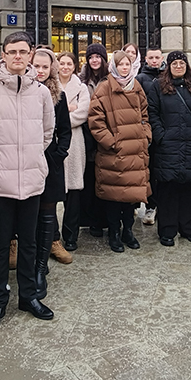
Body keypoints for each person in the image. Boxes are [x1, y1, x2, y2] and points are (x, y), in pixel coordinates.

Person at [0, 31, 56, 335]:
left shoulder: (42, 93)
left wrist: (31, 156)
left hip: (31, 179)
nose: (17, 56)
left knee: (29, 243)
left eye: (23, 51)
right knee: (0, 243)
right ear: (3, 55)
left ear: (31, 54)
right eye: (12, 52)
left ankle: (28, 296)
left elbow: (47, 132)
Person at [88, 50, 151, 253]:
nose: (124, 68)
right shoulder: (104, 88)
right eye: (121, 64)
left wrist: (146, 135)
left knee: (131, 196)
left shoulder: (137, 86)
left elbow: (145, 114)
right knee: (114, 196)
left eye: (127, 64)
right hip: (114, 153)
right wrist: (112, 143)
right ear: (114, 66)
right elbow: (96, 121)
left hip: (136, 150)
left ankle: (128, 231)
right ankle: (114, 233)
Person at [146, 51, 191, 246]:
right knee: (167, 190)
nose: (178, 66)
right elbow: (152, 113)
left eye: (181, 63)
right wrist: (161, 136)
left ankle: (188, 228)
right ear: (168, 66)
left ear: (187, 66)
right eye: (174, 63)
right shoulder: (158, 86)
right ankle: (167, 230)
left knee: (188, 190)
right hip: (168, 146)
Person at [30, 47, 73, 298]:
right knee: (28, 212)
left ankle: (41, 264)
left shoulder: (59, 95)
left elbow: (65, 130)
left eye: (45, 67)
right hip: (25, 161)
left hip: (50, 161)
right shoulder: (22, 91)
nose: (40, 71)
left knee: (47, 213)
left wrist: (59, 155)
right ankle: (29, 259)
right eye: (36, 66)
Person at [57, 51, 90, 253]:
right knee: (51, 192)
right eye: (62, 63)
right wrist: (68, 109)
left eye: (69, 63)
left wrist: (60, 117)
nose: (65, 67)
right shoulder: (50, 85)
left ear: (75, 66)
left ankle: (70, 235)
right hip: (53, 140)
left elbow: (83, 113)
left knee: (74, 192)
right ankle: (52, 236)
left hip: (75, 142)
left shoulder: (81, 87)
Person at [79, 43, 110, 236]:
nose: (94, 60)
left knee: (105, 178)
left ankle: (104, 219)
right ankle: (90, 220)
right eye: (91, 57)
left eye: (98, 56)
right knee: (89, 178)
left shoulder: (111, 79)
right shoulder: (81, 80)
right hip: (87, 135)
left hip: (106, 134)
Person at [135, 46, 164, 226]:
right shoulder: (140, 78)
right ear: (146, 59)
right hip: (145, 130)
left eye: (157, 58)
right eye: (151, 58)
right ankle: (147, 205)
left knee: (159, 170)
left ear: (162, 59)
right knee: (146, 170)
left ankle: (159, 205)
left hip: (164, 130)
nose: (154, 61)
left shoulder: (167, 77)